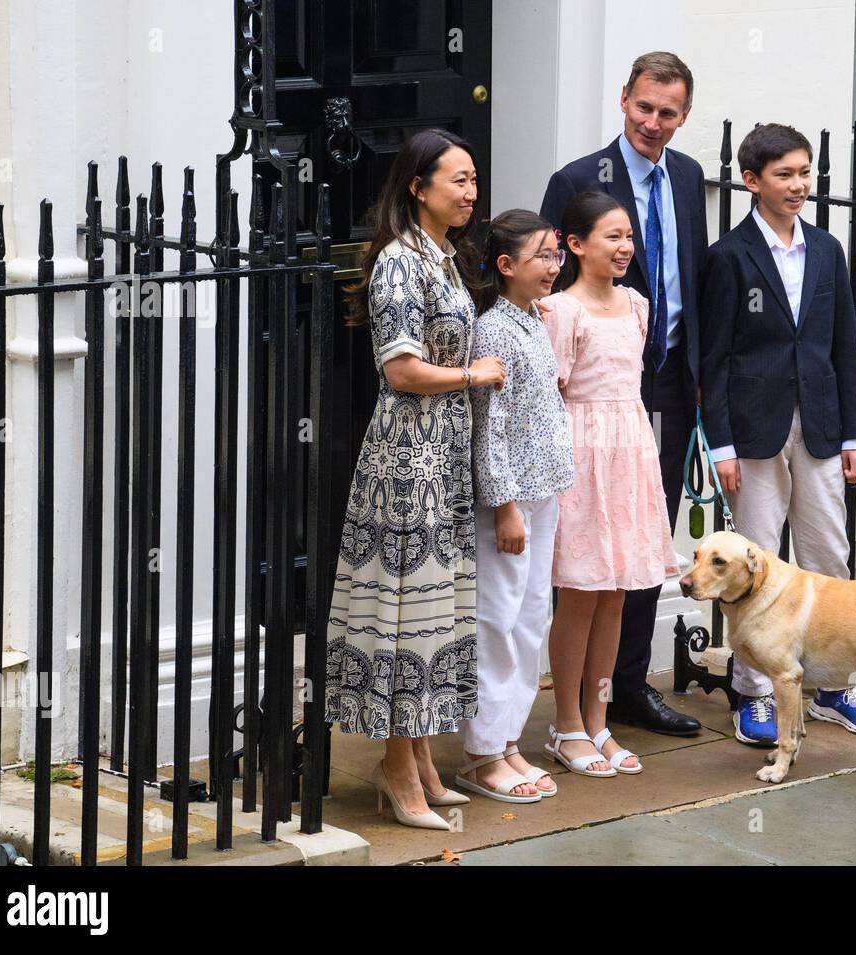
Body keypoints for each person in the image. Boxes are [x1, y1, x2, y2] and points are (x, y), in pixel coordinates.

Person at [325, 128, 505, 830]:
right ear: (417, 186)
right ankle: (396, 766)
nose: (470, 191)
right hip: (407, 459)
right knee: (408, 613)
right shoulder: (402, 261)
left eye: (473, 179)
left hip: (443, 454)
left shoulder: (445, 256)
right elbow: (400, 367)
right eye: (458, 179)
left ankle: (421, 755)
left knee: (436, 611)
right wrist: (474, 373)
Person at [698, 123, 856, 746]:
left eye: (805, 173)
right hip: (753, 432)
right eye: (785, 174)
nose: (799, 185)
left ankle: (835, 688)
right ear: (752, 181)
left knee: (828, 555)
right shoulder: (729, 255)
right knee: (751, 562)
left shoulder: (829, 250)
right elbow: (716, 357)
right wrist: (720, 444)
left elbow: (844, 348)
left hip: (823, 425)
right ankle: (752, 696)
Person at [539, 51, 706, 737]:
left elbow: (690, 278)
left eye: (668, 112)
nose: (654, 123)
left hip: (667, 383)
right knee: (582, 552)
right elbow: (545, 282)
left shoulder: (691, 176)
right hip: (590, 392)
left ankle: (627, 687)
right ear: (623, 99)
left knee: (642, 540)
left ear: (683, 114)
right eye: (644, 107)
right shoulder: (579, 179)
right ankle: (572, 708)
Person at [538, 191, 678, 777]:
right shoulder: (559, 311)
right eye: (610, 237)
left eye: (628, 237)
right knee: (580, 592)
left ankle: (599, 720)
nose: (624, 248)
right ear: (575, 244)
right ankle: (566, 723)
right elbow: (548, 398)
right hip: (581, 456)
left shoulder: (639, 306)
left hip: (630, 451)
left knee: (617, 592)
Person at [458, 210, 575, 803]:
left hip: (543, 490)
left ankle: (507, 741)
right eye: (542, 258)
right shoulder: (494, 330)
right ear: (506, 267)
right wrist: (504, 506)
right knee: (498, 620)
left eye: (556, 256)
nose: (554, 267)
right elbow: (491, 426)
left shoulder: (533, 321)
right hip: (510, 501)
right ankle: (482, 752)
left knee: (531, 620)